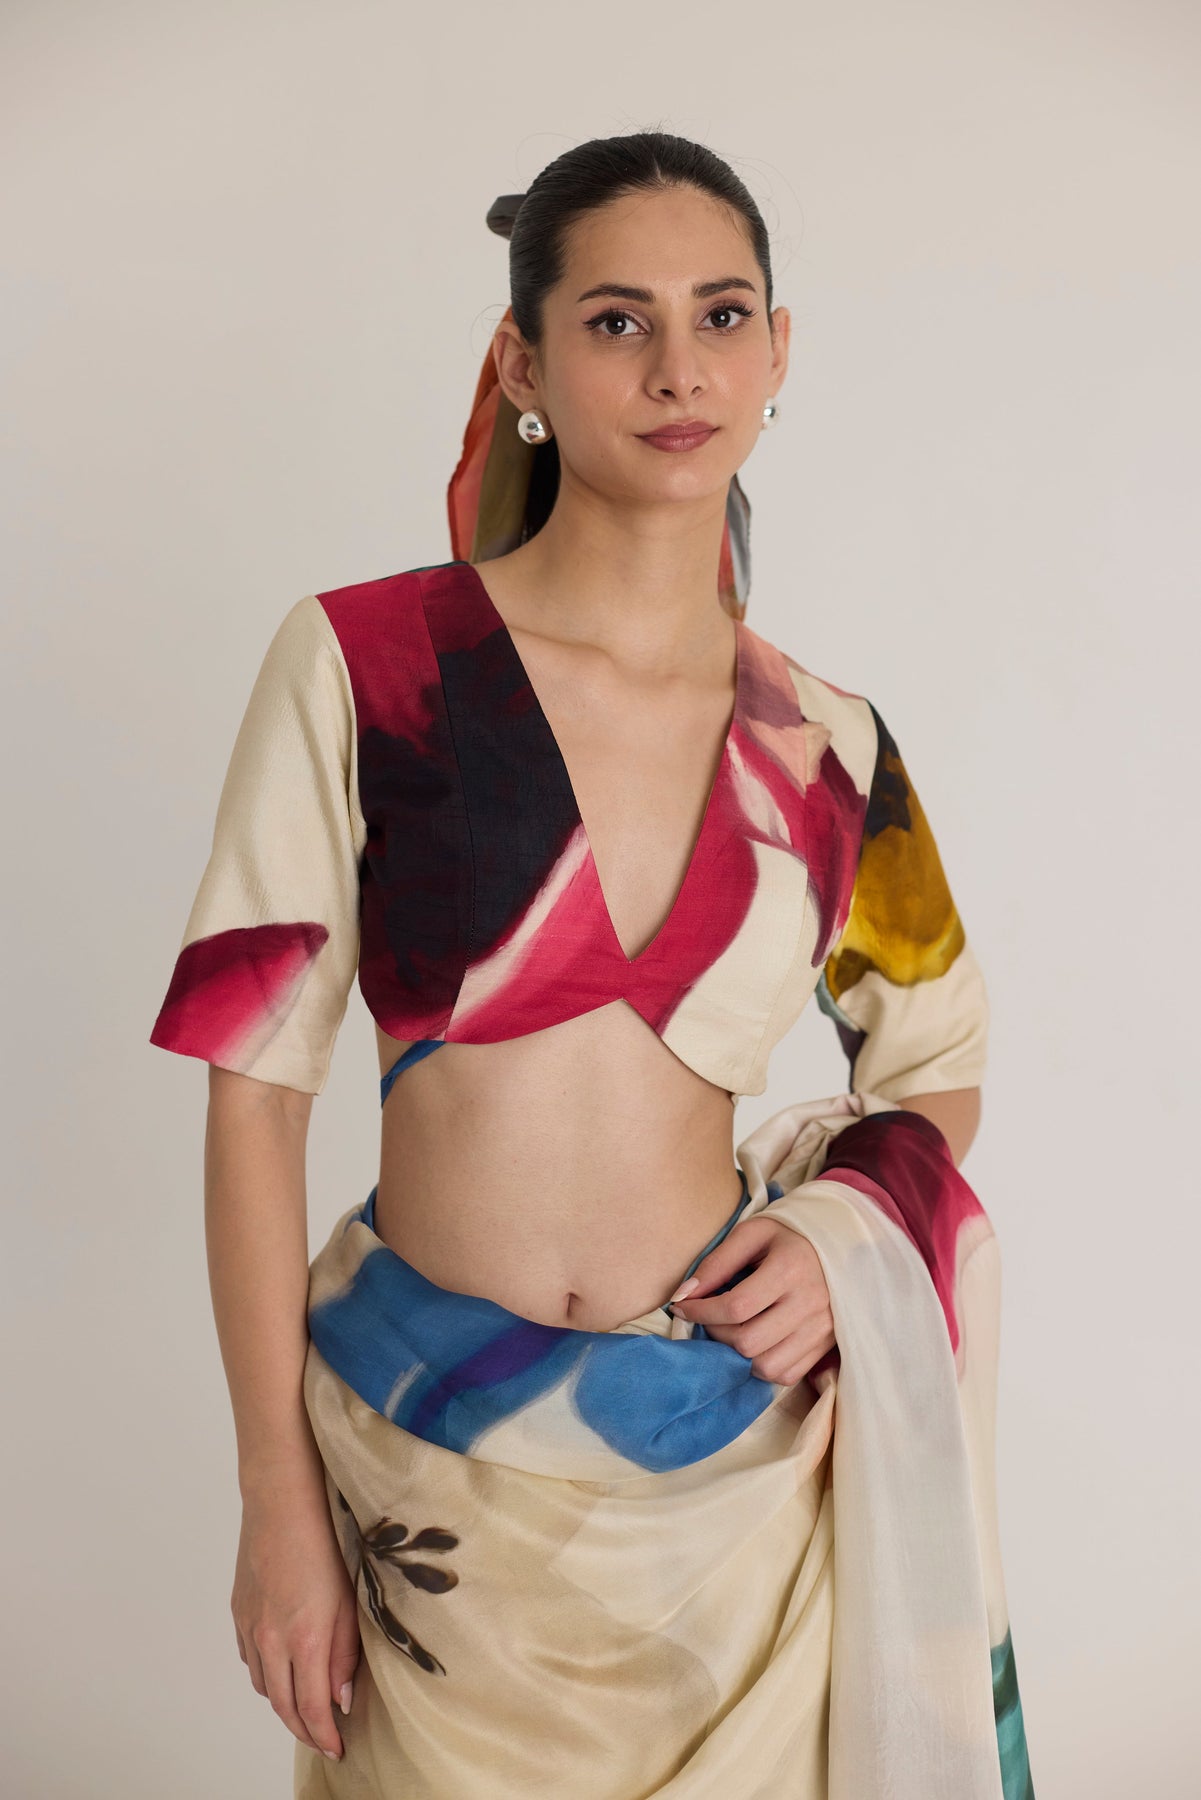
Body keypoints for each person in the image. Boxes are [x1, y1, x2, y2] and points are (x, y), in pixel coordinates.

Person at [149, 131, 1034, 1799]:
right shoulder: (368, 665)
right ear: (522, 363)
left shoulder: (830, 745)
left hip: (733, 1495)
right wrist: (275, 1499)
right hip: (421, 1484)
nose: (679, 368)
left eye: (721, 316)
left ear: (778, 351)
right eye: (617, 321)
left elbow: (937, 1065)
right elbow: (254, 1099)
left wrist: (839, 1233)